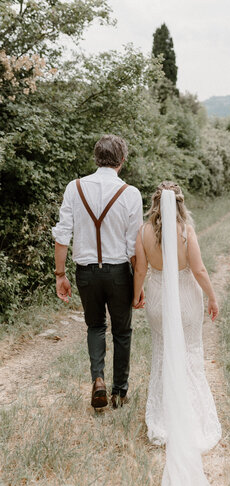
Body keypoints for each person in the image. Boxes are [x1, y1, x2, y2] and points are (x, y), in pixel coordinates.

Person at [133, 181, 221, 486]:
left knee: (162, 353)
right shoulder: (186, 231)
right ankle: (192, 415)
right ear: (180, 204)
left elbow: (140, 269)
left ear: (154, 204)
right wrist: (212, 297)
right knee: (190, 356)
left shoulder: (143, 232)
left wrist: (137, 294)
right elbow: (198, 270)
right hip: (185, 299)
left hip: (157, 298)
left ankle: (163, 417)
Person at [52, 134, 144, 410]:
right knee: (122, 332)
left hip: (86, 272)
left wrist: (60, 274)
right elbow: (134, 247)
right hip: (118, 273)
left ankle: (98, 380)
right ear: (122, 161)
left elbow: (62, 235)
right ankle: (120, 392)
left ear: (96, 158)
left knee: (94, 326)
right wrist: (138, 287)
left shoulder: (74, 187)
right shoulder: (130, 193)